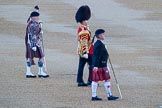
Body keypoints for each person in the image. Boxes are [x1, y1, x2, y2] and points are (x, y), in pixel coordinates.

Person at [91, 29, 119, 101]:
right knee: (97, 80)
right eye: (103, 34)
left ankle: (108, 95)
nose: (104, 35)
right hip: (100, 65)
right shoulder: (99, 45)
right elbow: (97, 56)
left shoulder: (99, 44)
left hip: (102, 65)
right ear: (99, 36)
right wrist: (96, 66)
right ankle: (96, 96)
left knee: (105, 79)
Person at [25, 11, 49, 78]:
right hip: (35, 44)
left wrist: (40, 28)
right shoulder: (34, 25)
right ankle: (40, 72)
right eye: (37, 17)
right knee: (41, 56)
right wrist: (33, 45)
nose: (38, 18)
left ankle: (28, 72)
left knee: (30, 57)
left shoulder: (31, 23)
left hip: (31, 43)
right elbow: (32, 35)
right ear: (34, 18)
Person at [75, 5, 93, 86]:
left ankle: (80, 81)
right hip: (87, 51)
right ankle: (90, 80)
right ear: (83, 20)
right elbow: (84, 42)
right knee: (92, 66)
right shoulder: (83, 30)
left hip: (84, 51)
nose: (87, 21)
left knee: (82, 66)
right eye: (85, 20)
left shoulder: (84, 28)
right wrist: (85, 52)